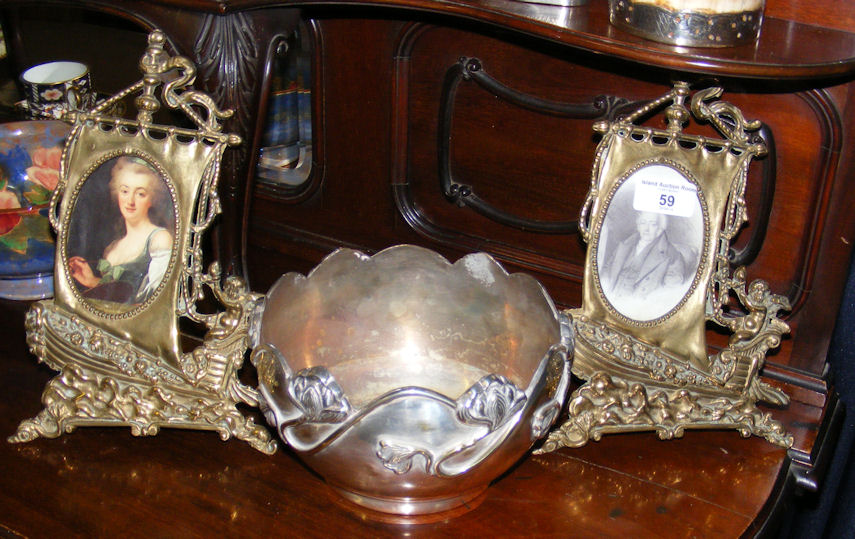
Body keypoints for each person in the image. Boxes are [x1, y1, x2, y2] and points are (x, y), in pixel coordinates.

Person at [68, 156, 173, 305]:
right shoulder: (113, 248)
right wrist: (91, 280)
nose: (130, 201)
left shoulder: (160, 239)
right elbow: (117, 296)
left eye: (140, 193)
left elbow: (156, 302)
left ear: (151, 199)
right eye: (124, 191)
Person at [599, 211, 693, 305]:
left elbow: (671, 292)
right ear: (638, 226)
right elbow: (606, 272)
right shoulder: (624, 245)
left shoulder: (671, 255)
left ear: (660, 229)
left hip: (639, 310)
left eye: (652, 224)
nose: (646, 229)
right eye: (643, 223)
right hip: (610, 301)